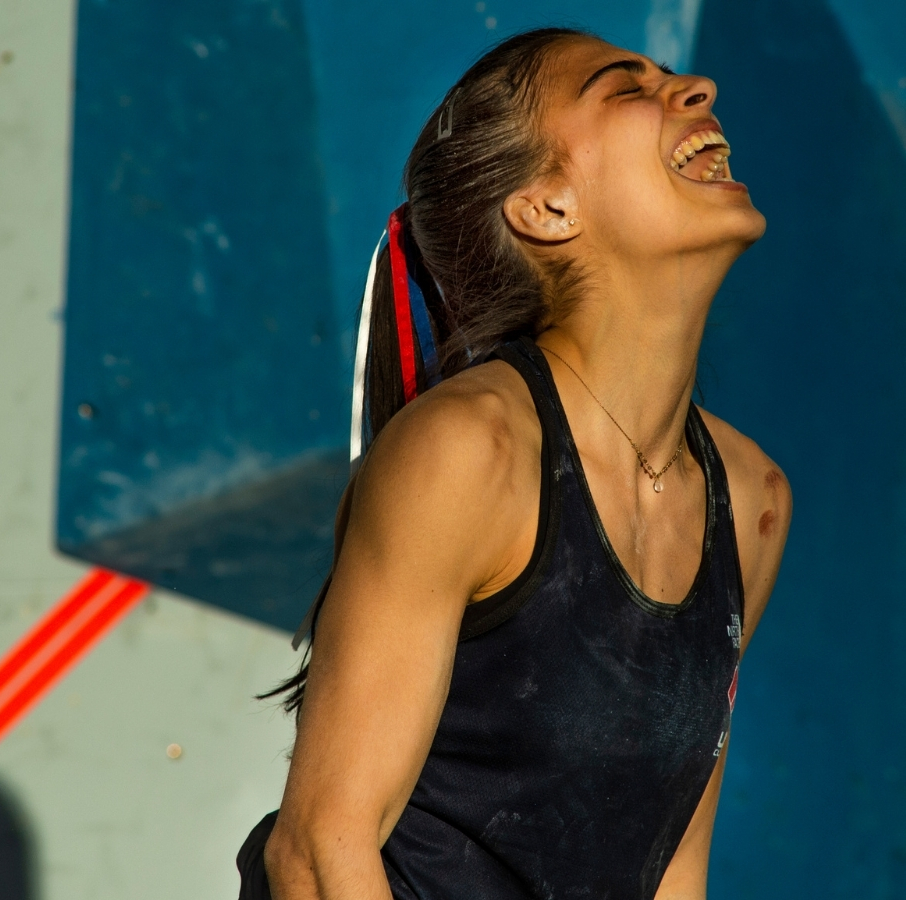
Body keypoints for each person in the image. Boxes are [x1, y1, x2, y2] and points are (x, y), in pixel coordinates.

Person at [238, 27, 791, 900]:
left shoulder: (754, 500)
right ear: (545, 208)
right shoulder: (466, 454)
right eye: (625, 87)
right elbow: (316, 856)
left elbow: (671, 868)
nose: (698, 88)